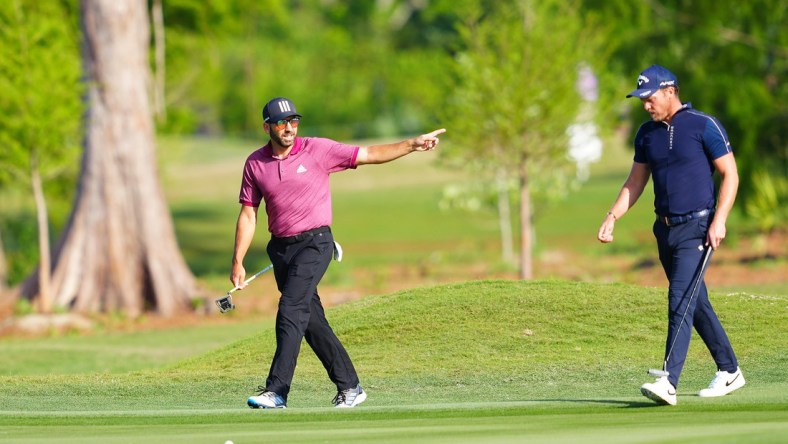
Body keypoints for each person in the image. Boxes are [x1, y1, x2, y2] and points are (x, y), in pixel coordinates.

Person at [231, 96, 446, 409]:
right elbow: (248, 214)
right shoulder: (255, 163)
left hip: (315, 243)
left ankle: (276, 391)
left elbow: (369, 153)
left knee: (291, 308)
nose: (289, 128)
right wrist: (237, 261)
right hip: (281, 249)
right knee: (311, 321)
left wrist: (412, 144)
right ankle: (350, 386)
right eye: (281, 122)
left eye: (294, 121)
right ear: (267, 127)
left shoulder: (317, 149)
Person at [597, 65, 745, 406]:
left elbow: (730, 174)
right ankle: (729, 369)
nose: (646, 105)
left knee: (680, 298)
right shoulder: (646, 135)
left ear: (669, 91)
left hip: (698, 225)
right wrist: (612, 216)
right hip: (664, 229)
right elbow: (635, 182)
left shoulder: (702, 125)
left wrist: (719, 220)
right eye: (641, 100)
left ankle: (669, 381)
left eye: (649, 98)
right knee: (696, 301)